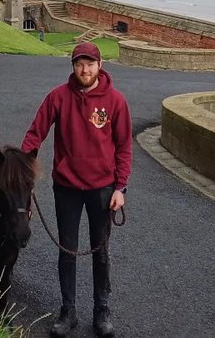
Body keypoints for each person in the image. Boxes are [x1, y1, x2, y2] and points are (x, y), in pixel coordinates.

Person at [22, 42, 132, 338]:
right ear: (73, 67)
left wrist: (120, 187)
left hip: (103, 189)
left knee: (101, 252)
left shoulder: (116, 102)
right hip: (67, 187)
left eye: (90, 64)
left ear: (100, 65)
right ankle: (67, 311)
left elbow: (123, 147)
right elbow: (36, 133)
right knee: (67, 251)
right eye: (79, 64)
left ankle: (102, 311)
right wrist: (22, 164)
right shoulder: (58, 97)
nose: (84, 70)